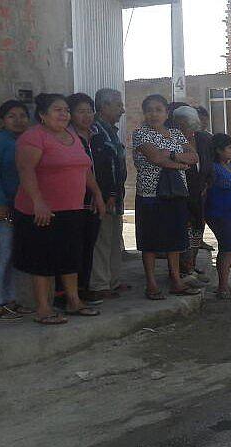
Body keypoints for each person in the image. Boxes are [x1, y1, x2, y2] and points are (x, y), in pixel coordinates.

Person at [13, 93, 105, 324]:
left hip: (72, 209)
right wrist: (38, 202)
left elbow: (84, 168)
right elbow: (26, 171)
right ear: (42, 115)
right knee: (42, 259)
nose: (64, 114)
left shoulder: (71, 135)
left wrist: (97, 193)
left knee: (70, 257)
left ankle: (74, 301)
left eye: (65, 110)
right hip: (42, 211)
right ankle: (43, 309)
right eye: (57, 110)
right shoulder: (33, 137)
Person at [132, 94, 202, 300]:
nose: (153, 114)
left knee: (175, 238)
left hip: (175, 193)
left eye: (158, 109)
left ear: (166, 113)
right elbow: (154, 158)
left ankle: (176, 281)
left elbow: (194, 157)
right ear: (144, 113)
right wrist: (180, 163)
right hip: (150, 194)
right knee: (150, 240)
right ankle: (151, 284)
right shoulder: (140, 134)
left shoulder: (176, 133)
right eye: (149, 110)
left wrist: (171, 156)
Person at [89, 88, 129, 299]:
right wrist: (108, 193)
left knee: (114, 240)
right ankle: (100, 284)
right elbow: (102, 166)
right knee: (102, 241)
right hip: (105, 196)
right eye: (118, 105)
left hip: (116, 195)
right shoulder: (96, 131)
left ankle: (114, 280)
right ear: (104, 106)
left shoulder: (110, 130)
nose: (122, 109)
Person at [65, 93, 105, 305]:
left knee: (88, 245)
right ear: (70, 114)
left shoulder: (97, 136)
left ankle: (84, 288)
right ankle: (66, 294)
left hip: (95, 200)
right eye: (81, 111)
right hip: (73, 200)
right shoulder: (67, 138)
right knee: (72, 247)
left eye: (89, 111)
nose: (87, 116)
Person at [169, 104, 213, 284]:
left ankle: (190, 266)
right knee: (182, 231)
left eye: (184, 125)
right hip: (179, 193)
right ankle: (180, 271)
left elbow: (208, 162)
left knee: (196, 230)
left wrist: (208, 183)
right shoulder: (171, 139)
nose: (180, 129)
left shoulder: (203, 139)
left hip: (199, 191)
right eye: (177, 125)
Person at [0, 99, 32, 321]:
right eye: (12, 116)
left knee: (12, 255)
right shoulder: (2, 141)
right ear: (2, 121)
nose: (18, 120)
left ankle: (9, 300)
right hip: (4, 207)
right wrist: (0, 203)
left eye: (22, 115)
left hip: (21, 207)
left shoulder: (26, 142)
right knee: (3, 255)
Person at [205, 133, 231, 299]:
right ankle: (222, 287)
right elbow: (227, 183)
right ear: (218, 150)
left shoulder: (228, 166)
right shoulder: (214, 168)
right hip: (219, 213)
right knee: (227, 247)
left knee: (229, 248)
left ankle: (225, 284)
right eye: (228, 148)